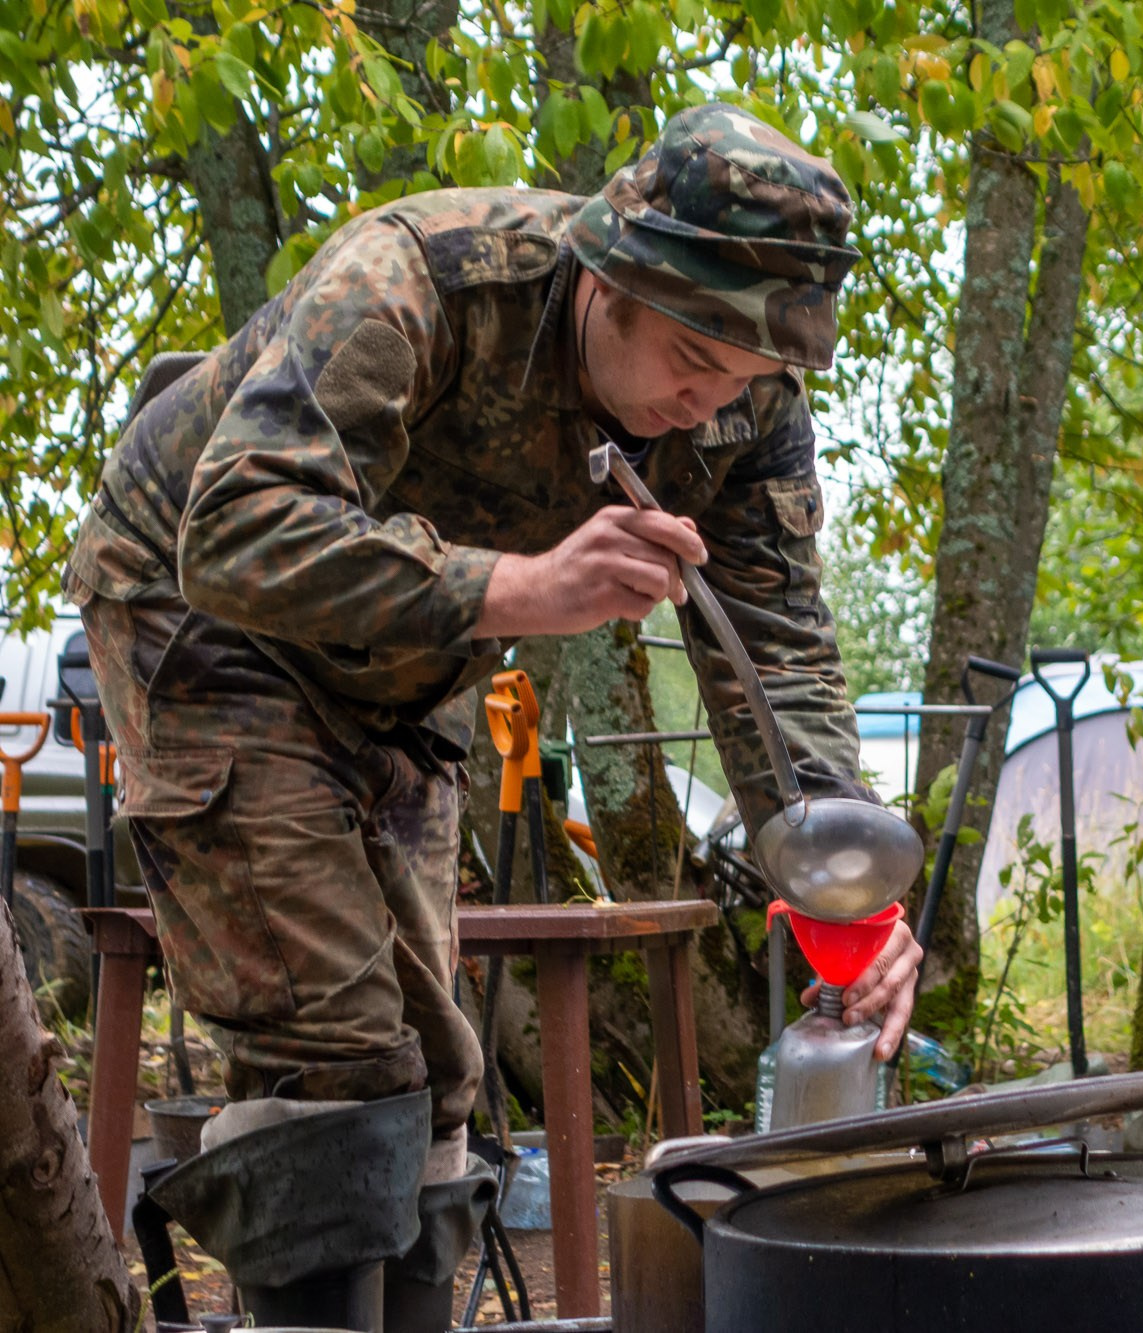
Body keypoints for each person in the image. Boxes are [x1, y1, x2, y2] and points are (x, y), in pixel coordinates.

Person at [65, 102, 921, 1326]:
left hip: (406, 667)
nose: (706, 402)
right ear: (611, 277)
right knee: (335, 1044)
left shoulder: (745, 407)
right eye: (692, 356)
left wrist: (849, 893)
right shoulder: (422, 280)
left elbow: (776, 652)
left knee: (436, 1066)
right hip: (200, 619)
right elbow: (237, 530)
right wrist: (519, 589)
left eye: (744, 376)